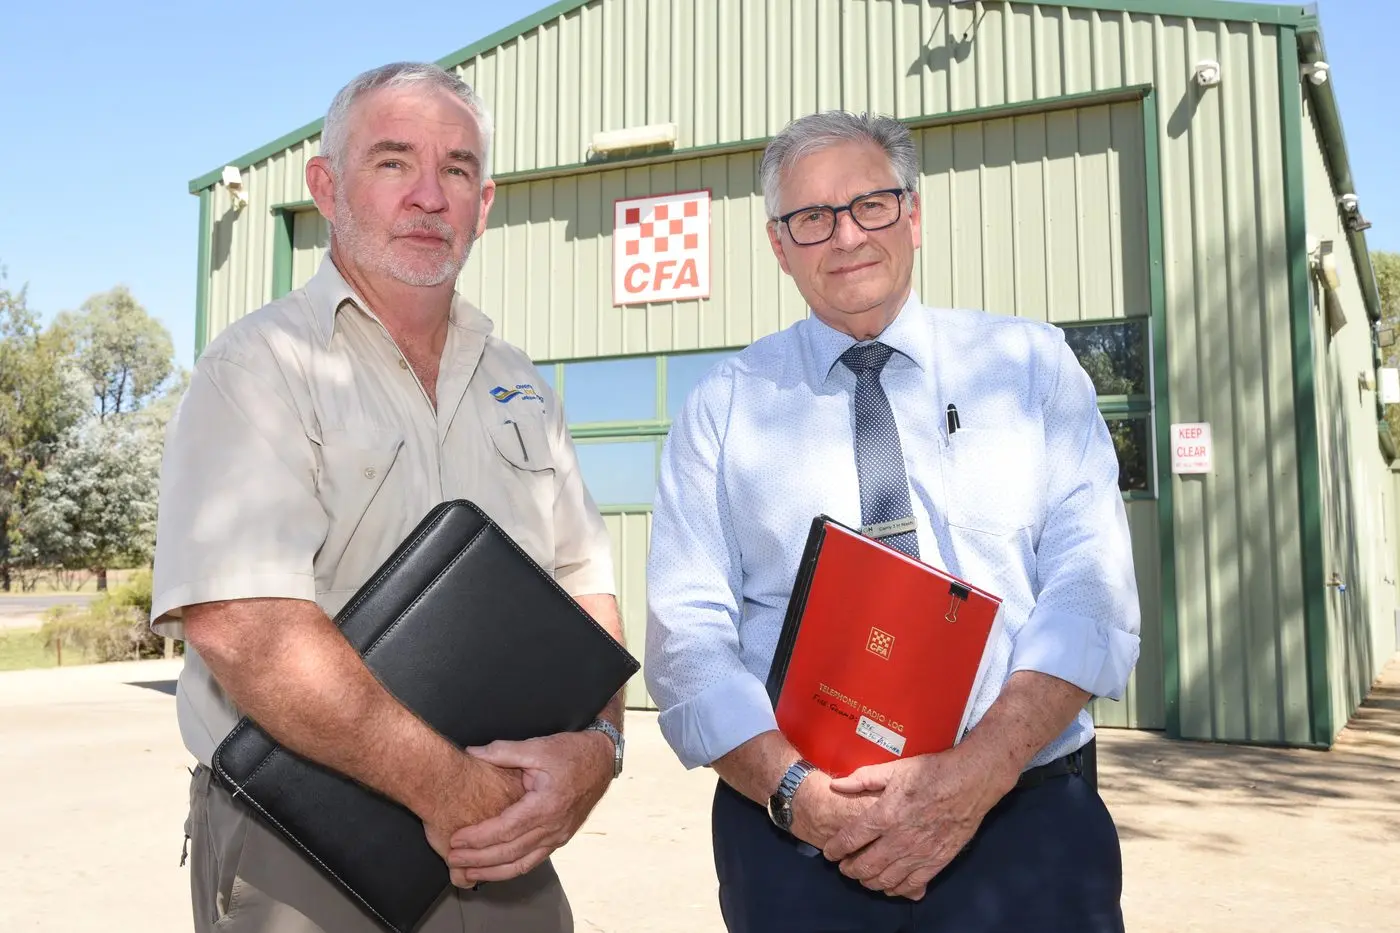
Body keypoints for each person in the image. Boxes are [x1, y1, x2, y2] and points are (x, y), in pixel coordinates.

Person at [150, 62, 626, 933]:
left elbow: (585, 582)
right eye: (393, 162)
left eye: (457, 170)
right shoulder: (258, 370)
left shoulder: (518, 382)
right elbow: (244, 627)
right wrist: (450, 787)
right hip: (304, 850)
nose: (428, 196)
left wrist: (601, 747)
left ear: (484, 204)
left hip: (504, 849)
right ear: (327, 188)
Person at [644, 109, 1141, 933]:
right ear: (779, 245)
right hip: (799, 832)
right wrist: (797, 794)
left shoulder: (1030, 366)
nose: (845, 236)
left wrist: (977, 773)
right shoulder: (722, 409)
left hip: (1024, 815)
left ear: (913, 214)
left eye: (870, 204)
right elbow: (687, 635)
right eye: (811, 217)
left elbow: (1092, 590)